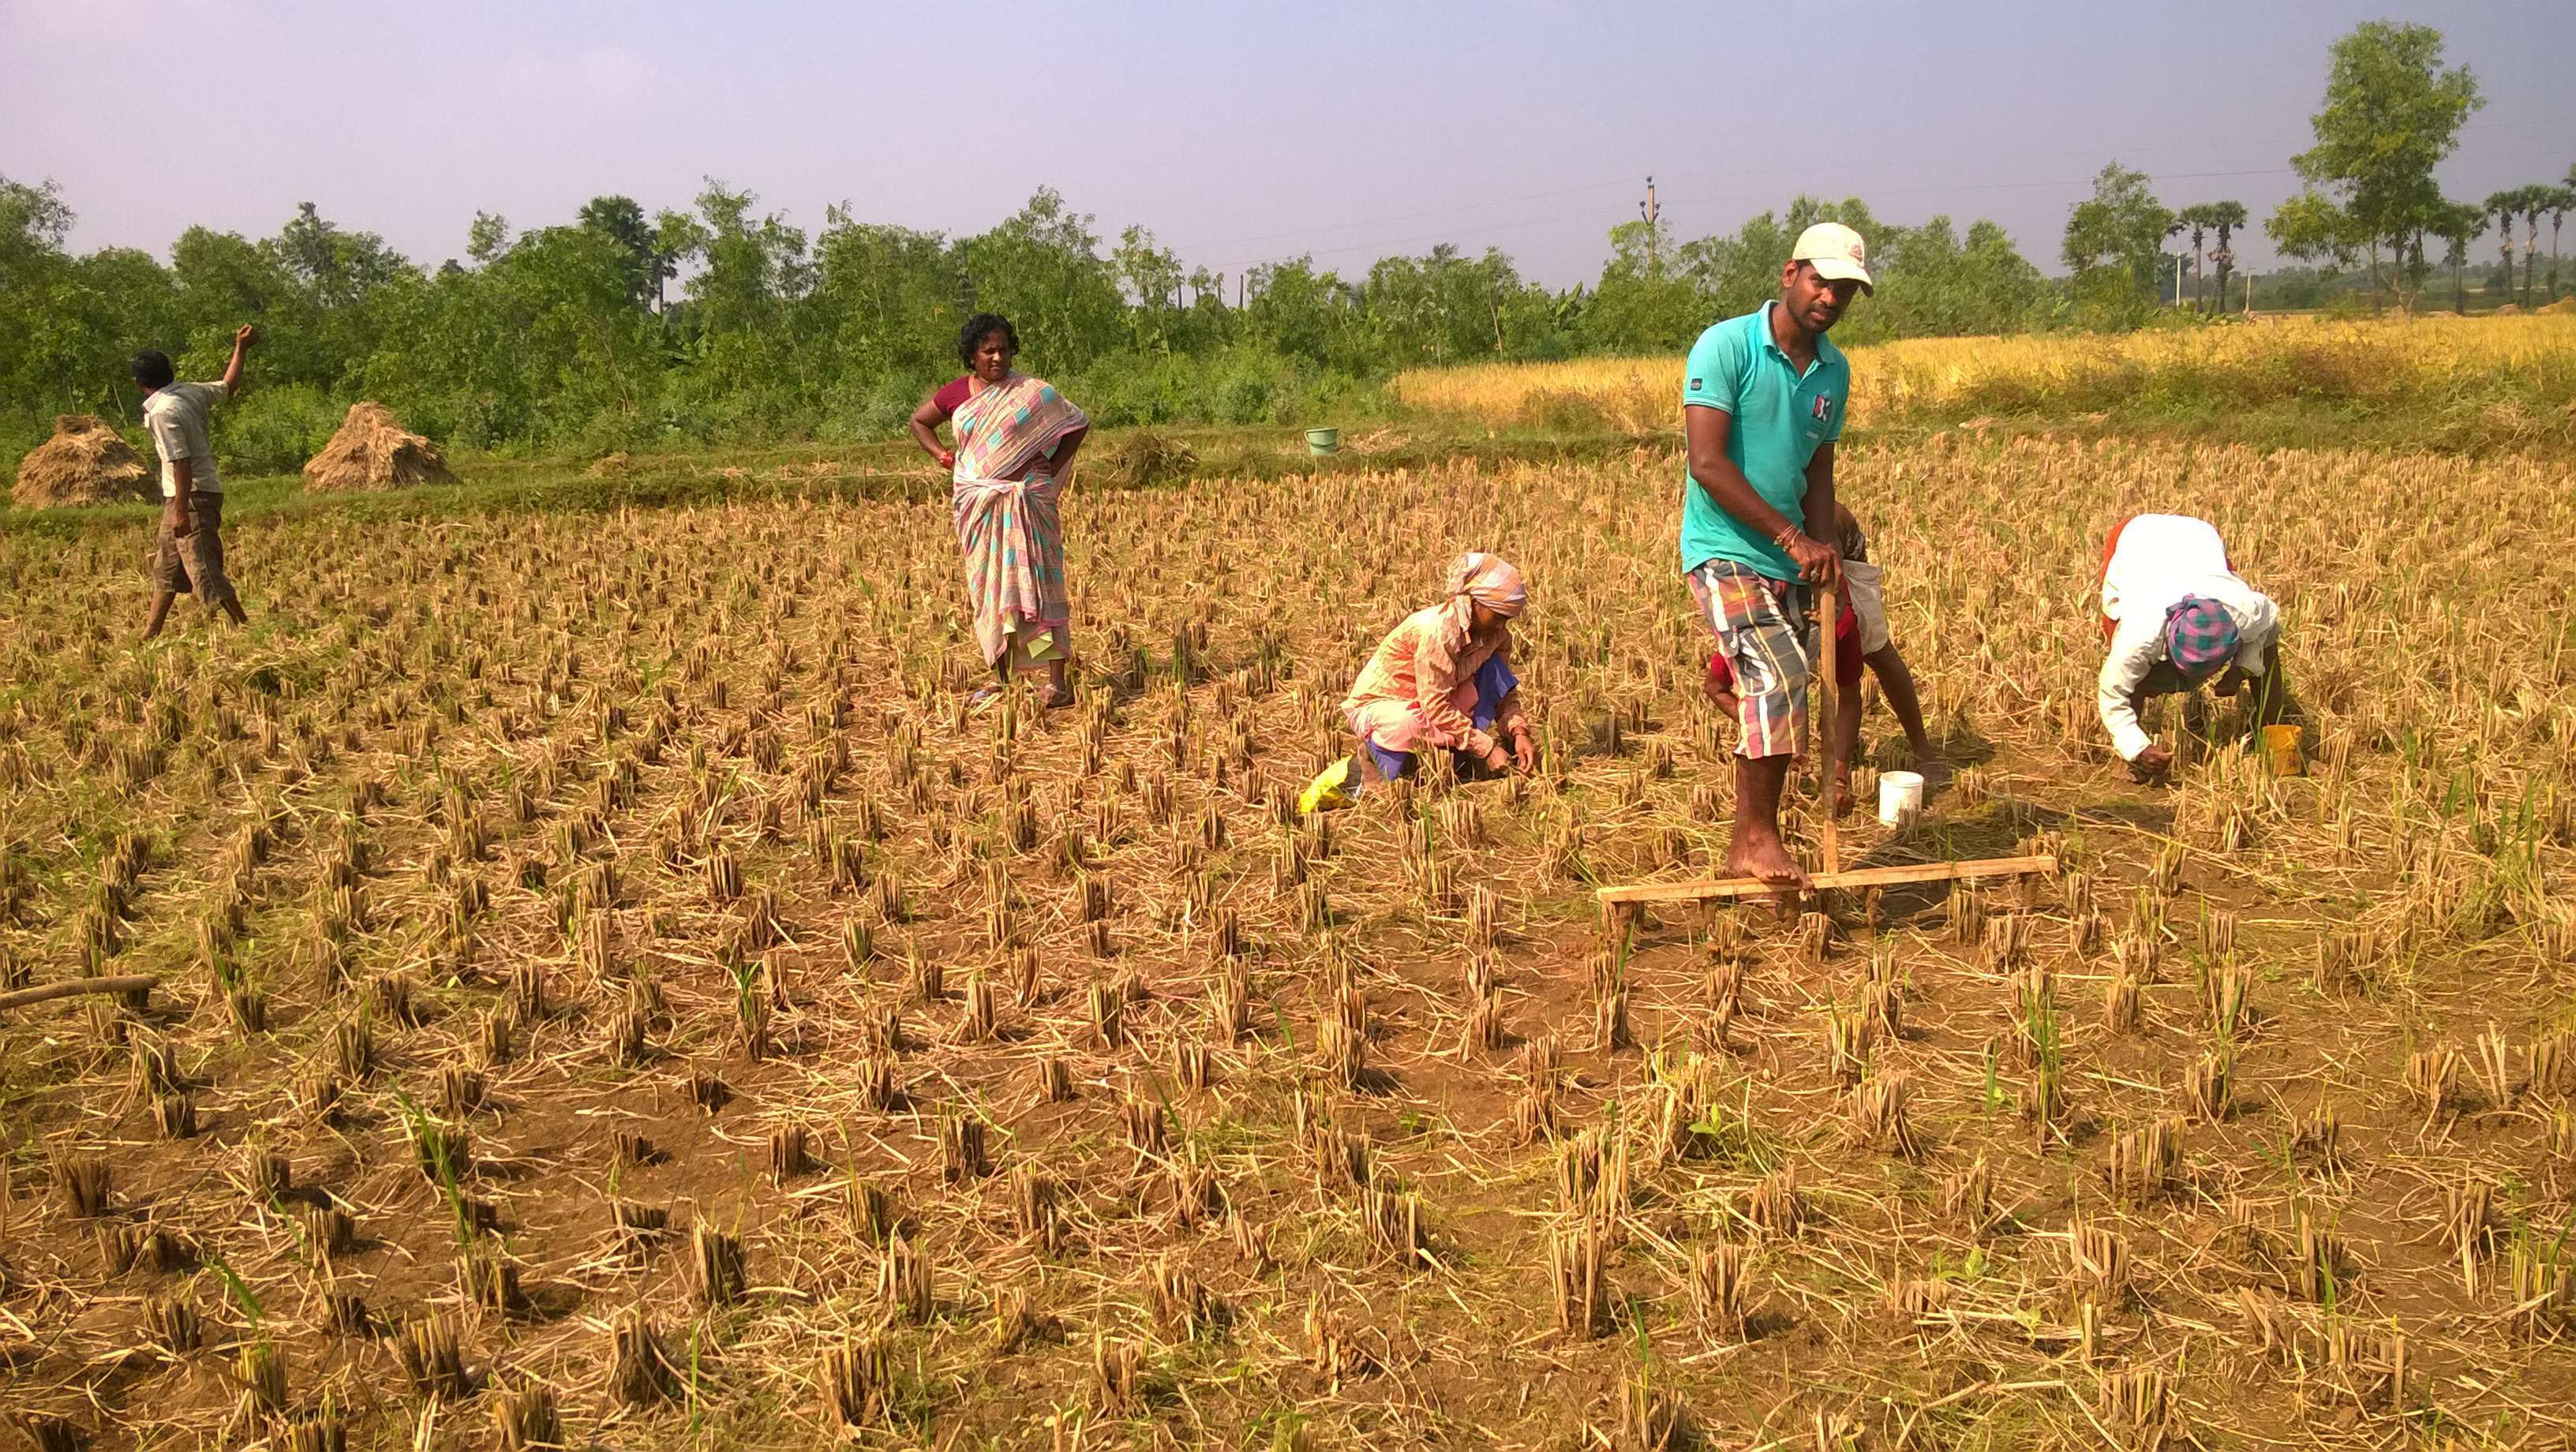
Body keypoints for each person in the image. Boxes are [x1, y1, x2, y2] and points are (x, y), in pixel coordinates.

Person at [1679, 223, 1870, 889]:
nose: (1830, 299)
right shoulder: (1726, 345)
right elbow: (1706, 462)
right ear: (1790, 274)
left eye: (1844, 291)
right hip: (1724, 545)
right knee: (1778, 677)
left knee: (1781, 688)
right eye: (1822, 282)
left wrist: (1821, 552)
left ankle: (1745, 847)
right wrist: (1791, 538)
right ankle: (1760, 838)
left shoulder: (1833, 371)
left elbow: (1819, 470)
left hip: (1789, 554)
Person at [1701, 502, 1937, 814]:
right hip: (1771, 553)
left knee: (1879, 653)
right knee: (1775, 689)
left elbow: (1850, 698)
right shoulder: (1751, 625)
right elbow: (1715, 688)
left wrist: (1838, 773)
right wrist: (1778, 734)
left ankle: (1925, 750)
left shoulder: (1840, 624)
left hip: (1839, 548)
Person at [909, 313, 1089, 709]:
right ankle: (1003, 677)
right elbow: (920, 422)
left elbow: (1076, 423)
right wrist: (942, 455)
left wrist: (1052, 467)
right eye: (988, 350)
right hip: (981, 504)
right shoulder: (956, 394)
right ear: (971, 355)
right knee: (994, 593)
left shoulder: (1032, 394)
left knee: (1040, 591)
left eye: (1004, 349)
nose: (997, 357)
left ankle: (1056, 683)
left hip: (1029, 499)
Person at [2096, 513, 2282, 780]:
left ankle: (2274, 736)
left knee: (2268, 651)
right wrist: (2136, 747)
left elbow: (2268, 630)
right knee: (2132, 674)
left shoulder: (2244, 611)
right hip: (2138, 538)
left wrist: (2241, 670)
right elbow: (2113, 694)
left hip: (2198, 538)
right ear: (2167, 644)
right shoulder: (2139, 636)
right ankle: (2129, 762)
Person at [1329, 552, 1535, 795]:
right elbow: (1435, 705)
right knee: (1406, 725)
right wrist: (1486, 747)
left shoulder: (1497, 636)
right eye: (1498, 616)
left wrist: (1518, 731)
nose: (1502, 626)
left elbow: (1501, 688)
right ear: (1475, 602)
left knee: (1492, 672)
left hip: (1435, 701)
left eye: (1507, 619)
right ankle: (1373, 768)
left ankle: (1448, 755)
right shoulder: (1438, 631)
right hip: (1387, 706)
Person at [138, 325, 257, 639]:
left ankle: (247, 631)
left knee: (203, 567)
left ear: (140, 384)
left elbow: (181, 460)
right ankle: (149, 634)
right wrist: (240, 348)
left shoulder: (163, 411)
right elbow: (228, 386)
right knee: (166, 568)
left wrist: (179, 511)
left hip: (190, 497)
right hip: (181, 496)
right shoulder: (189, 392)